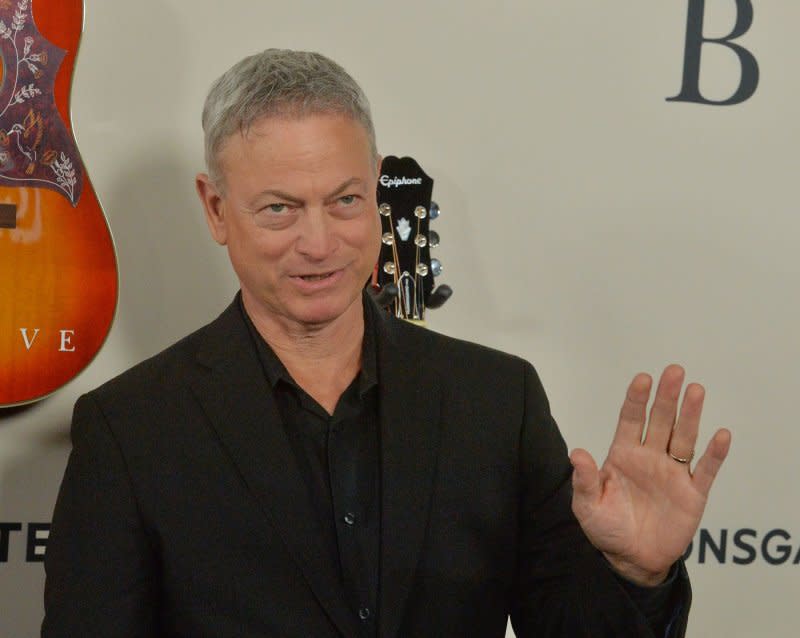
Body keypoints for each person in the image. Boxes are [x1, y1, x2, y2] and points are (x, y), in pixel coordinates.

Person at [41, 49, 731, 638]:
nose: (320, 244)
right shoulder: (131, 428)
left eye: (345, 200)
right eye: (280, 209)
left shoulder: (496, 400)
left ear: (375, 189)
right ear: (217, 209)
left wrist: (639, 575)